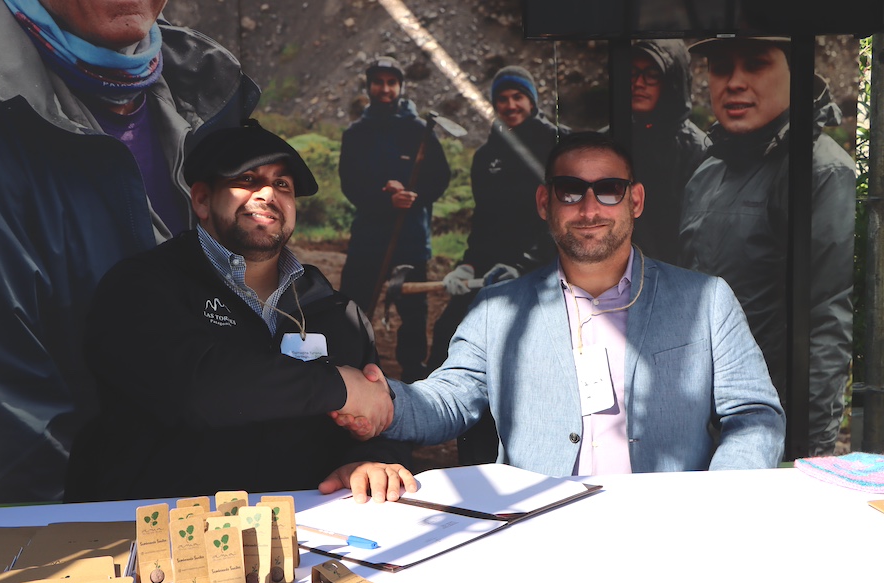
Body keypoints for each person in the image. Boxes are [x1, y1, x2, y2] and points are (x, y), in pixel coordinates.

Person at [0, 0, 260, 510]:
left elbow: (266, 304)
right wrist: (70, 564)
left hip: (215, 498)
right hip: (101, 526)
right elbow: (3, 426)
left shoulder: (201, 84)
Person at [340, 132, 785, 475]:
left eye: (609, 189)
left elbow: (754, 413)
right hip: (539, 530)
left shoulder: (706, 301)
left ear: (636, 200)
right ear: (544, 203)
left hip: (664, 525)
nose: (589, 208)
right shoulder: (497, 311)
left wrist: (720, 495)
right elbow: (448, 401)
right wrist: (383, 403)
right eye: (570, 191)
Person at [65, 120, 415, 504]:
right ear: (201, 200)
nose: (268, 193)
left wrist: (370, 459)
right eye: (247, 179)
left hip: (306, 540)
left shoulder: (335, 309)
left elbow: (376, 416)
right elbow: (195, 388)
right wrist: (337, 387)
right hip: (164, 541)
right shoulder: (141, 287)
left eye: (283, 185)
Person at [680, 37, 856, 456]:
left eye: (756, 64)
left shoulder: (821, 171)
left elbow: (828, 319)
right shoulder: (707, 172)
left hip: (769, 428)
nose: (735, 82)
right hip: (701, 422)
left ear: (797, 74)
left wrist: (805, 449)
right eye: (721, 67)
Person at [427, 65, 565, 464]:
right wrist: (467, 265)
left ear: (533, 100)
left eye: (517, 97)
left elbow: (561, 216)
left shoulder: (555, 144)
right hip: (490, 276)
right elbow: (483, 221)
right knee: (448, 333)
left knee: (522, 359)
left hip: (544, 271)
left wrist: (524, 264)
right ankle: (471, 452)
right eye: (502, 99)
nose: (510, 105)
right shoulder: (487, 155)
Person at [338, 56, 451, 382]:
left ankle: (413, 372)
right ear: (369, 85)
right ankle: (352, 363)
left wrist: (414, 197)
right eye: (379, 82)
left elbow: (440, 177)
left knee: (413, 311)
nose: (385, 89)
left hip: (410, 236)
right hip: (369, 234)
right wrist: (385, 197)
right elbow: (351, 184)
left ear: (401, 87)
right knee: (354, 302)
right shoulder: (356, 133)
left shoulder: (419, 130)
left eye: (391, 82)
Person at [618, 39, 709, 265]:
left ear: (672, 82)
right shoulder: (610, 139)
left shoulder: (698, 150)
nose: (639, 83)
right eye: (633, 73)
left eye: (652, 74)